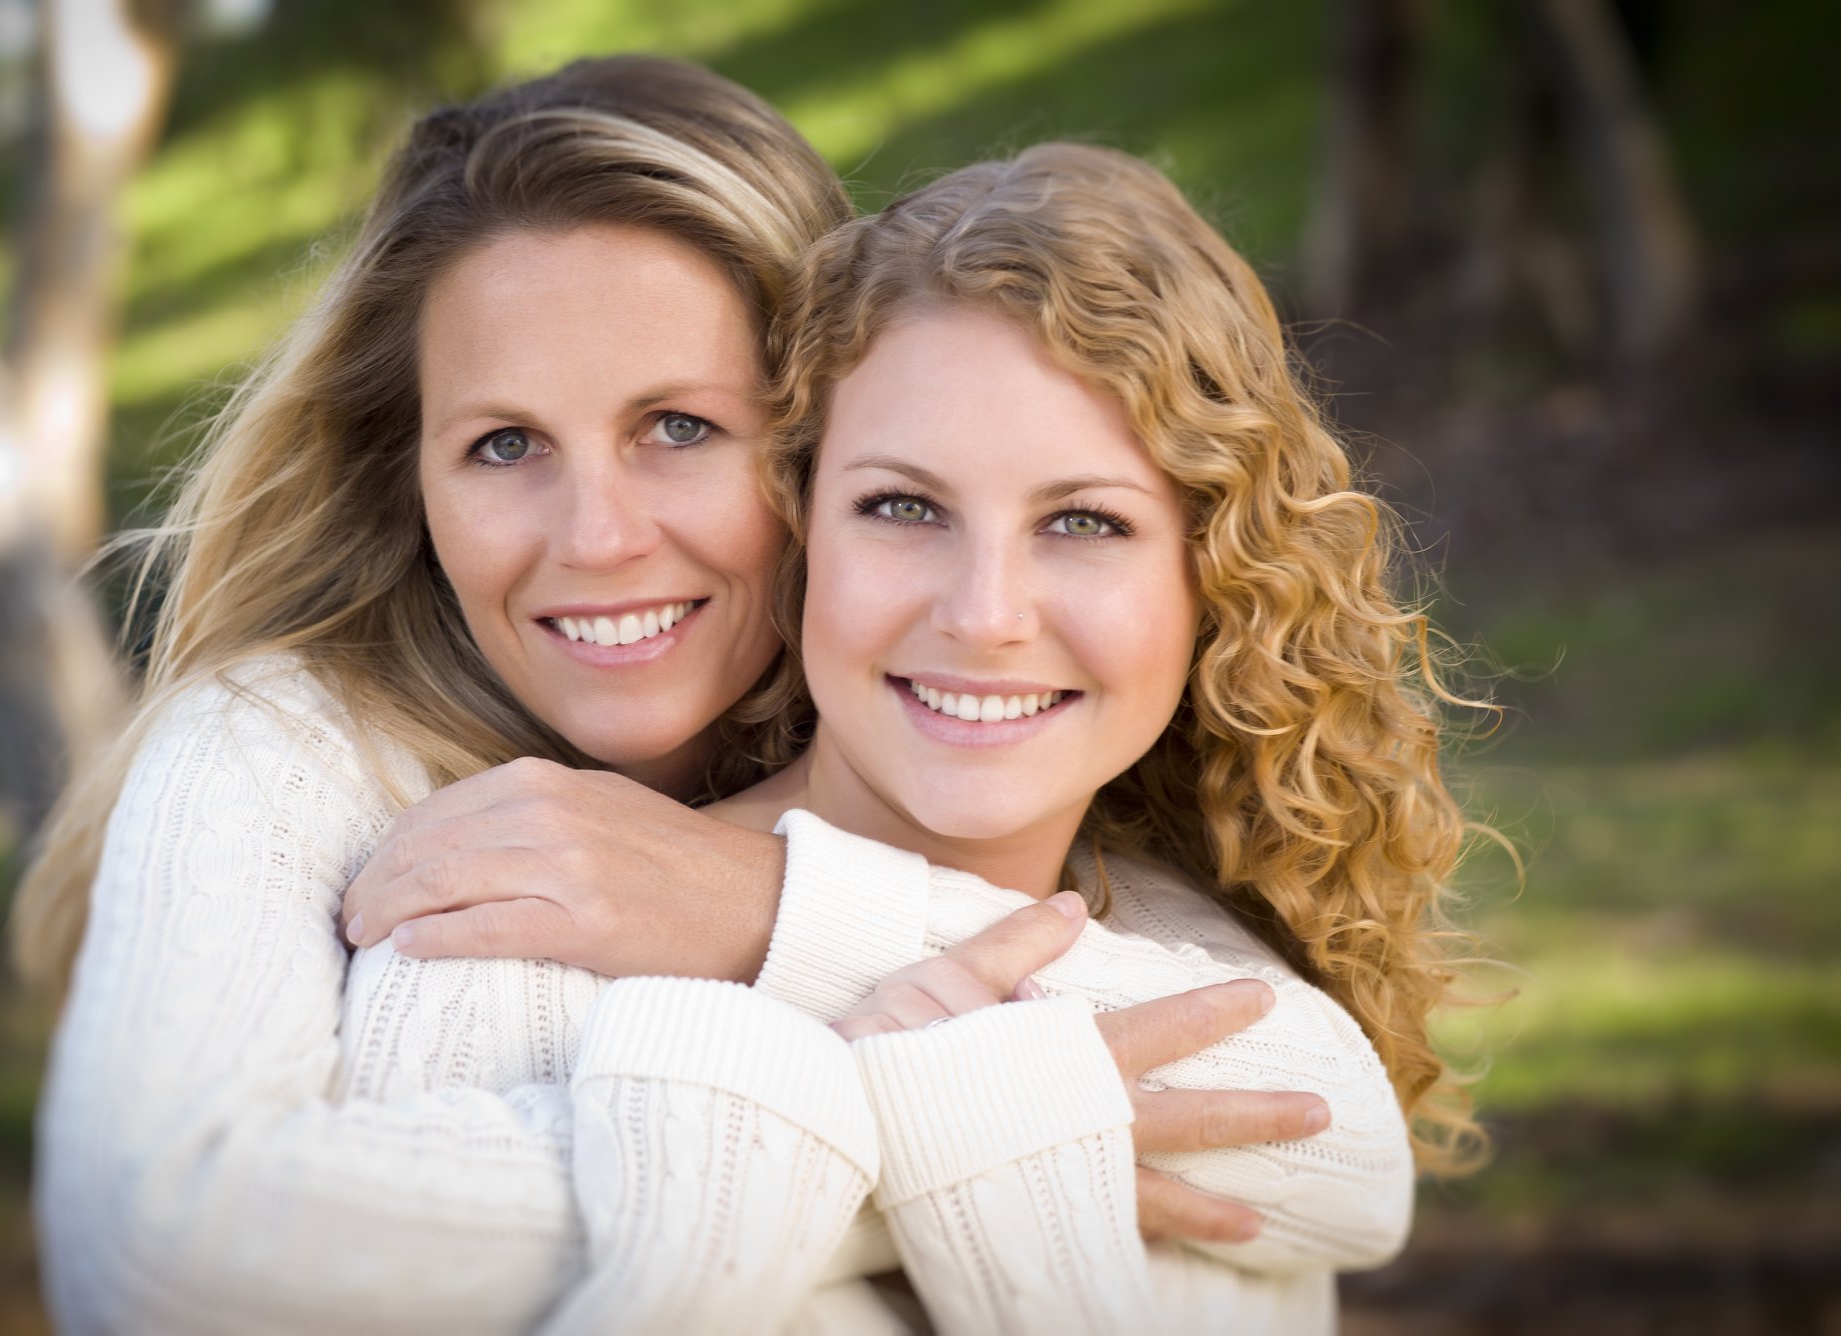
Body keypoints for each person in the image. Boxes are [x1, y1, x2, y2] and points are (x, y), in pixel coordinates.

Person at [17, 58, 1363, 1332]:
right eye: (502, 445)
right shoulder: (331, 796)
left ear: (812, 442)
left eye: (678, 429)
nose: (597, 535)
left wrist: (771, 911)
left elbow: (1349, 1148)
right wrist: (924, 1122)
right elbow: (155, 1252)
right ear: (408, 485)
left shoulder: (1000, 793)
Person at [339, 143, 1485, 1333]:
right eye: (902, 507)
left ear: (1215, 576)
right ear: (798, 526)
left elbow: (1352, 1167)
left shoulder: (1208, 998)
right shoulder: (512, 940)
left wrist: (899, 1090)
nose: (984, 614)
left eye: (1084, 521)